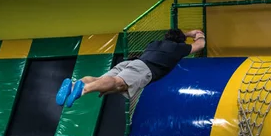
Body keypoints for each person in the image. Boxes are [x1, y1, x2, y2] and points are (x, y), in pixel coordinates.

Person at [56, 29, 206, 107]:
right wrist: (198, 34)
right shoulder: (177, 48)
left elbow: (173, 37)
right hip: (143, 68)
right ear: (180, 41)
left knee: (106, 82)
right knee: (117, 82)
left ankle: (76, 84)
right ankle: (82, 90)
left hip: (131, 63)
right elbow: (200, 45)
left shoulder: (154, 43)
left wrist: (184, 34)